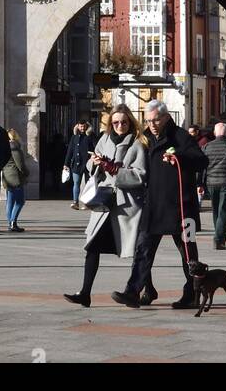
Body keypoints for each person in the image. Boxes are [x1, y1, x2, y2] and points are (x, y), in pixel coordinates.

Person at [111, 101, 206, 309]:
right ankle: (133, 291)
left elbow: (201, 161)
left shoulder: (181, 137)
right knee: (143, 249)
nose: (152, 124)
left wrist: (179, 157)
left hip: (182, 206)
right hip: (154, 205)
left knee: (188, 252)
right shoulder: (146, 138)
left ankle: (193, 294)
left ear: (165, 117)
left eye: (155, 120)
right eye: (148, 120)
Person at [63, 107, 148, 307]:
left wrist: (114, 169)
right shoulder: (104, 140)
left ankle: (146, 289)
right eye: (115, 122)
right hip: (104, 204)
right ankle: (85, 293)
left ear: (131, 123)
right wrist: (94, 163)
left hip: (126, 206)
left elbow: (140, 175)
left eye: (124, 122)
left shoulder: (137, 144)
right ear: (110, 124)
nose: (120, 126)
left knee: (138, 251)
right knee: (92, 247)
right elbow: (92, 169)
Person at [3, 128, 29, 232]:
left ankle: (10, 222)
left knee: (10, 201)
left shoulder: (4, 147)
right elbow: (20, 165)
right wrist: (27, 173)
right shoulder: (14, 147)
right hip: (15, 178)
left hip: (7, 176)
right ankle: (13, 222)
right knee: (20, 201)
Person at [63, 121, 94, 209]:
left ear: (87, 127)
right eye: (81, 127)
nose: (82, 128)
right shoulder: (74, 137)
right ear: (78, 127)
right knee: (76, 183)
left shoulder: (91, 136)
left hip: (88, 164)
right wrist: (66, 164)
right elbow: (70, 151)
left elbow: (97, 147)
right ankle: (75, 202)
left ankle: (87, 203)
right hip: (76, 163)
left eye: (84, 127)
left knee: (88, 184)